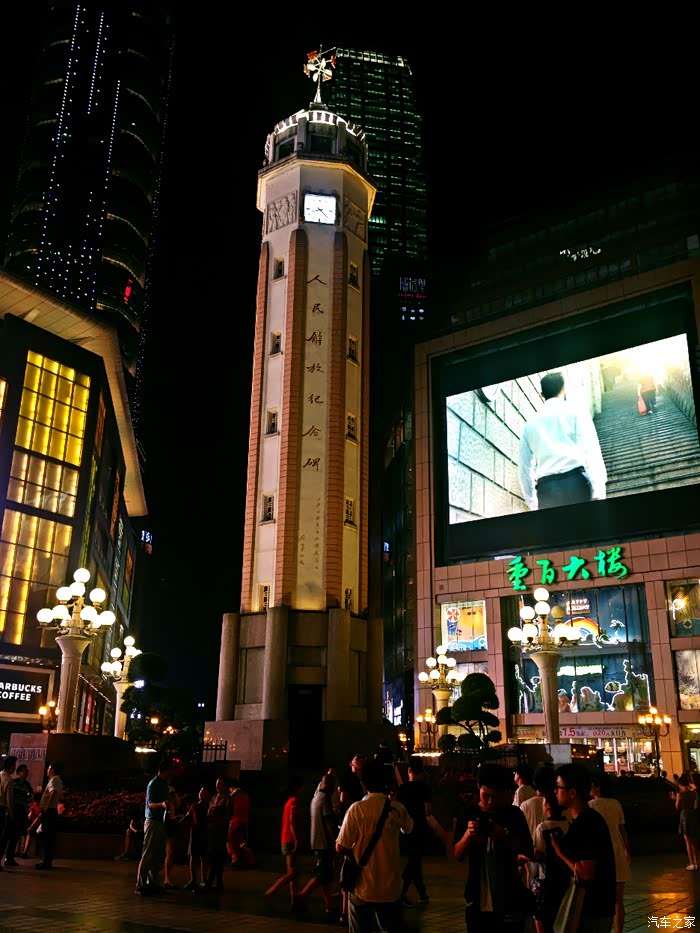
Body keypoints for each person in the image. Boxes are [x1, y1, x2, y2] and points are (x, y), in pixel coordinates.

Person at [453, 762, 534, 933]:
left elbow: (527, 850)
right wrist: (468, 835)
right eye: (486, 795)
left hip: (509, 897)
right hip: (477, 897)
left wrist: (503, 835)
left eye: (495, 797)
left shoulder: (514, 815)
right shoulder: (468, 813)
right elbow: (457, 854)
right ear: (479, 787)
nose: (490, 802)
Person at [336, 758, 413, 933]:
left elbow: (340, 847)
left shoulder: (357, 809)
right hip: (390, 888)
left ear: (363, 783)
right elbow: (408, 829)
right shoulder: (397, 808)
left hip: (363, 887)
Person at [518, 371, 607, 511]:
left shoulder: (529, 425)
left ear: (542, 394)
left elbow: (524, 468)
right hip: (576, 482)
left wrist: (533, 503)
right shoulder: (576, 412)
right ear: (564, 388)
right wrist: (599, 490)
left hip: (546, 489)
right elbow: (591, 450)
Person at [549, 764, 616, 933]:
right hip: (597, 906)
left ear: (572, 793)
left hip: (591, 909)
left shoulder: (586, 823)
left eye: (558, 787)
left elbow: (586, 872)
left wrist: (560, 853)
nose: (555, 791)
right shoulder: (589, 819)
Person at [589, 772, 631, 933]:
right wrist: (627, 850)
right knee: (618, 900)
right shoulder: (615, 804)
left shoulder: (591, 806)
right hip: (618, 852)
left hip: (600, 854)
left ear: (597, 787)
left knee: (601, 898)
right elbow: (622, 829)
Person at [297, 771, 339, 915]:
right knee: (321, 875)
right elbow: (328, 823)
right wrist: (335, 842)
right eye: (333, 786)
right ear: (329, 785)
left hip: (315, 841)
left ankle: (329, 905)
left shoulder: (315, 798)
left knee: (324, 876)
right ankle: (302, 895)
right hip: (324, 844)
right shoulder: (325, 799)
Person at [527, 794, 570, 933]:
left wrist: (522, 855)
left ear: (547, 806)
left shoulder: (543, 828)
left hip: (546, 880)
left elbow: (537, 854)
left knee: (541, 918)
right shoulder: (569, 825)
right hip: (565, 878)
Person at [396, 756, 432, 906]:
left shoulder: (402, 789)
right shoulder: (424, 788)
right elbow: (428, 810)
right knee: (414, 861)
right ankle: (401, 892)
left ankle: (422, 893)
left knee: (414, 860)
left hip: (405, 828)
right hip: (420, 828)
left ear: (409, 770)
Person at [135, 759, 174, 895]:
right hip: (153, 821)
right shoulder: (154, 783)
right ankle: (141, 884)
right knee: (148, 853)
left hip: (161, 821)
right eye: (171, 770)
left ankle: (152, 882)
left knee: (158, 854)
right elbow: (150, 804)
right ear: (166, 770)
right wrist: (162, 804)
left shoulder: (164, 784)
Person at [264, 776, 304, 907]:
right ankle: (271, 891)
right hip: (290, 840)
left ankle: (294, 900)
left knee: (292, 873)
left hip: (286, 839)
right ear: (298, 789)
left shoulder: (289, 801)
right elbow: (292, 822)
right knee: (293, 873)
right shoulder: (294, 802)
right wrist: (297, 839)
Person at [204, 778, 232, 892]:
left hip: (220, 831)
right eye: (217, 784)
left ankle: (211, 882)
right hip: (212, 830)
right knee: (214, 856)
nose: (218, 786)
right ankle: (218, 883)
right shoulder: (215, 797)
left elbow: (227, 816)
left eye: (220, 784)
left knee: (217, 856)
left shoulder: (227, 799)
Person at [36, 761, 64, 871]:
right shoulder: (58, 780)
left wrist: (46, 808)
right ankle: (46, 861)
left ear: (52, 769)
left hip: (49, 812)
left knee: (47, 838)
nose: (47, 770)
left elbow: (53, 792)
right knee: (49, 838)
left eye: (48, 768)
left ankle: (46, 862)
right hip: (52, 811)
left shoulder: (54, 780)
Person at [183, 786, 211, 891]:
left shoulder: (209, 806)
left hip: (204, 833)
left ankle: (204, 880)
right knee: (193, 857)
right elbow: (187, 816)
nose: (201, 793)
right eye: (200, 791)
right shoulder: (194, 806)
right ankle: (193, 880)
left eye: (204, 792)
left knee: (203, 857)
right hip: (194, 833)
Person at [4, 763, 32, 866]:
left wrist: (26, 803)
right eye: (24, 771)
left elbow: (30, 795)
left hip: (21, 813)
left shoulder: (27, 785)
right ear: (18, 773)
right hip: (12, 811)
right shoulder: (13, 783)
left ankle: (10, 858)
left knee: (15, 837)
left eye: (27, 771)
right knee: (6, 836)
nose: (26, 773)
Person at [228, 778, 255, 867]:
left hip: (235, 821)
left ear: (231, 787)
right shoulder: (246, 795)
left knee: (229, 840)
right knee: (242, 841)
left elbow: (230, 809)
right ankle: (250, 860)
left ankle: (235, 858)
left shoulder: (232, 796)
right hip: (245, 821)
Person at [675, 773, 698, 870]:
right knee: (694, 841)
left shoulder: (680, 794)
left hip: (685, 816)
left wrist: (677, 798)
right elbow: (696, 805)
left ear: (680, 784)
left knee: (688, 842)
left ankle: (691, 863)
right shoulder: (694, 793)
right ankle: (696, 862)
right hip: (693, 816)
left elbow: (677, 807)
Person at [0, 755, 17, 871]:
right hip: (2, 809)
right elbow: (9, 800)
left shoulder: (0, 775)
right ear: (11, 767)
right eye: (14, 766)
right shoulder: (9, 780)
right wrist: (11, 815)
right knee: (2, 838)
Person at [22, 793, 42, 858]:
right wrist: (31, 812)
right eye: (35, 802)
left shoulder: (43, 806)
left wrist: (31, 827)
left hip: (40, 825)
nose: (36, 803)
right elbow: (30, 818)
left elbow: (38, 818)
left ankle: (25, 852)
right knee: (29, 831)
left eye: (37, 802)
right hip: (34, 824)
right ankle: (24, 852)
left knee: (31, 831)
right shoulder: (32, 805)